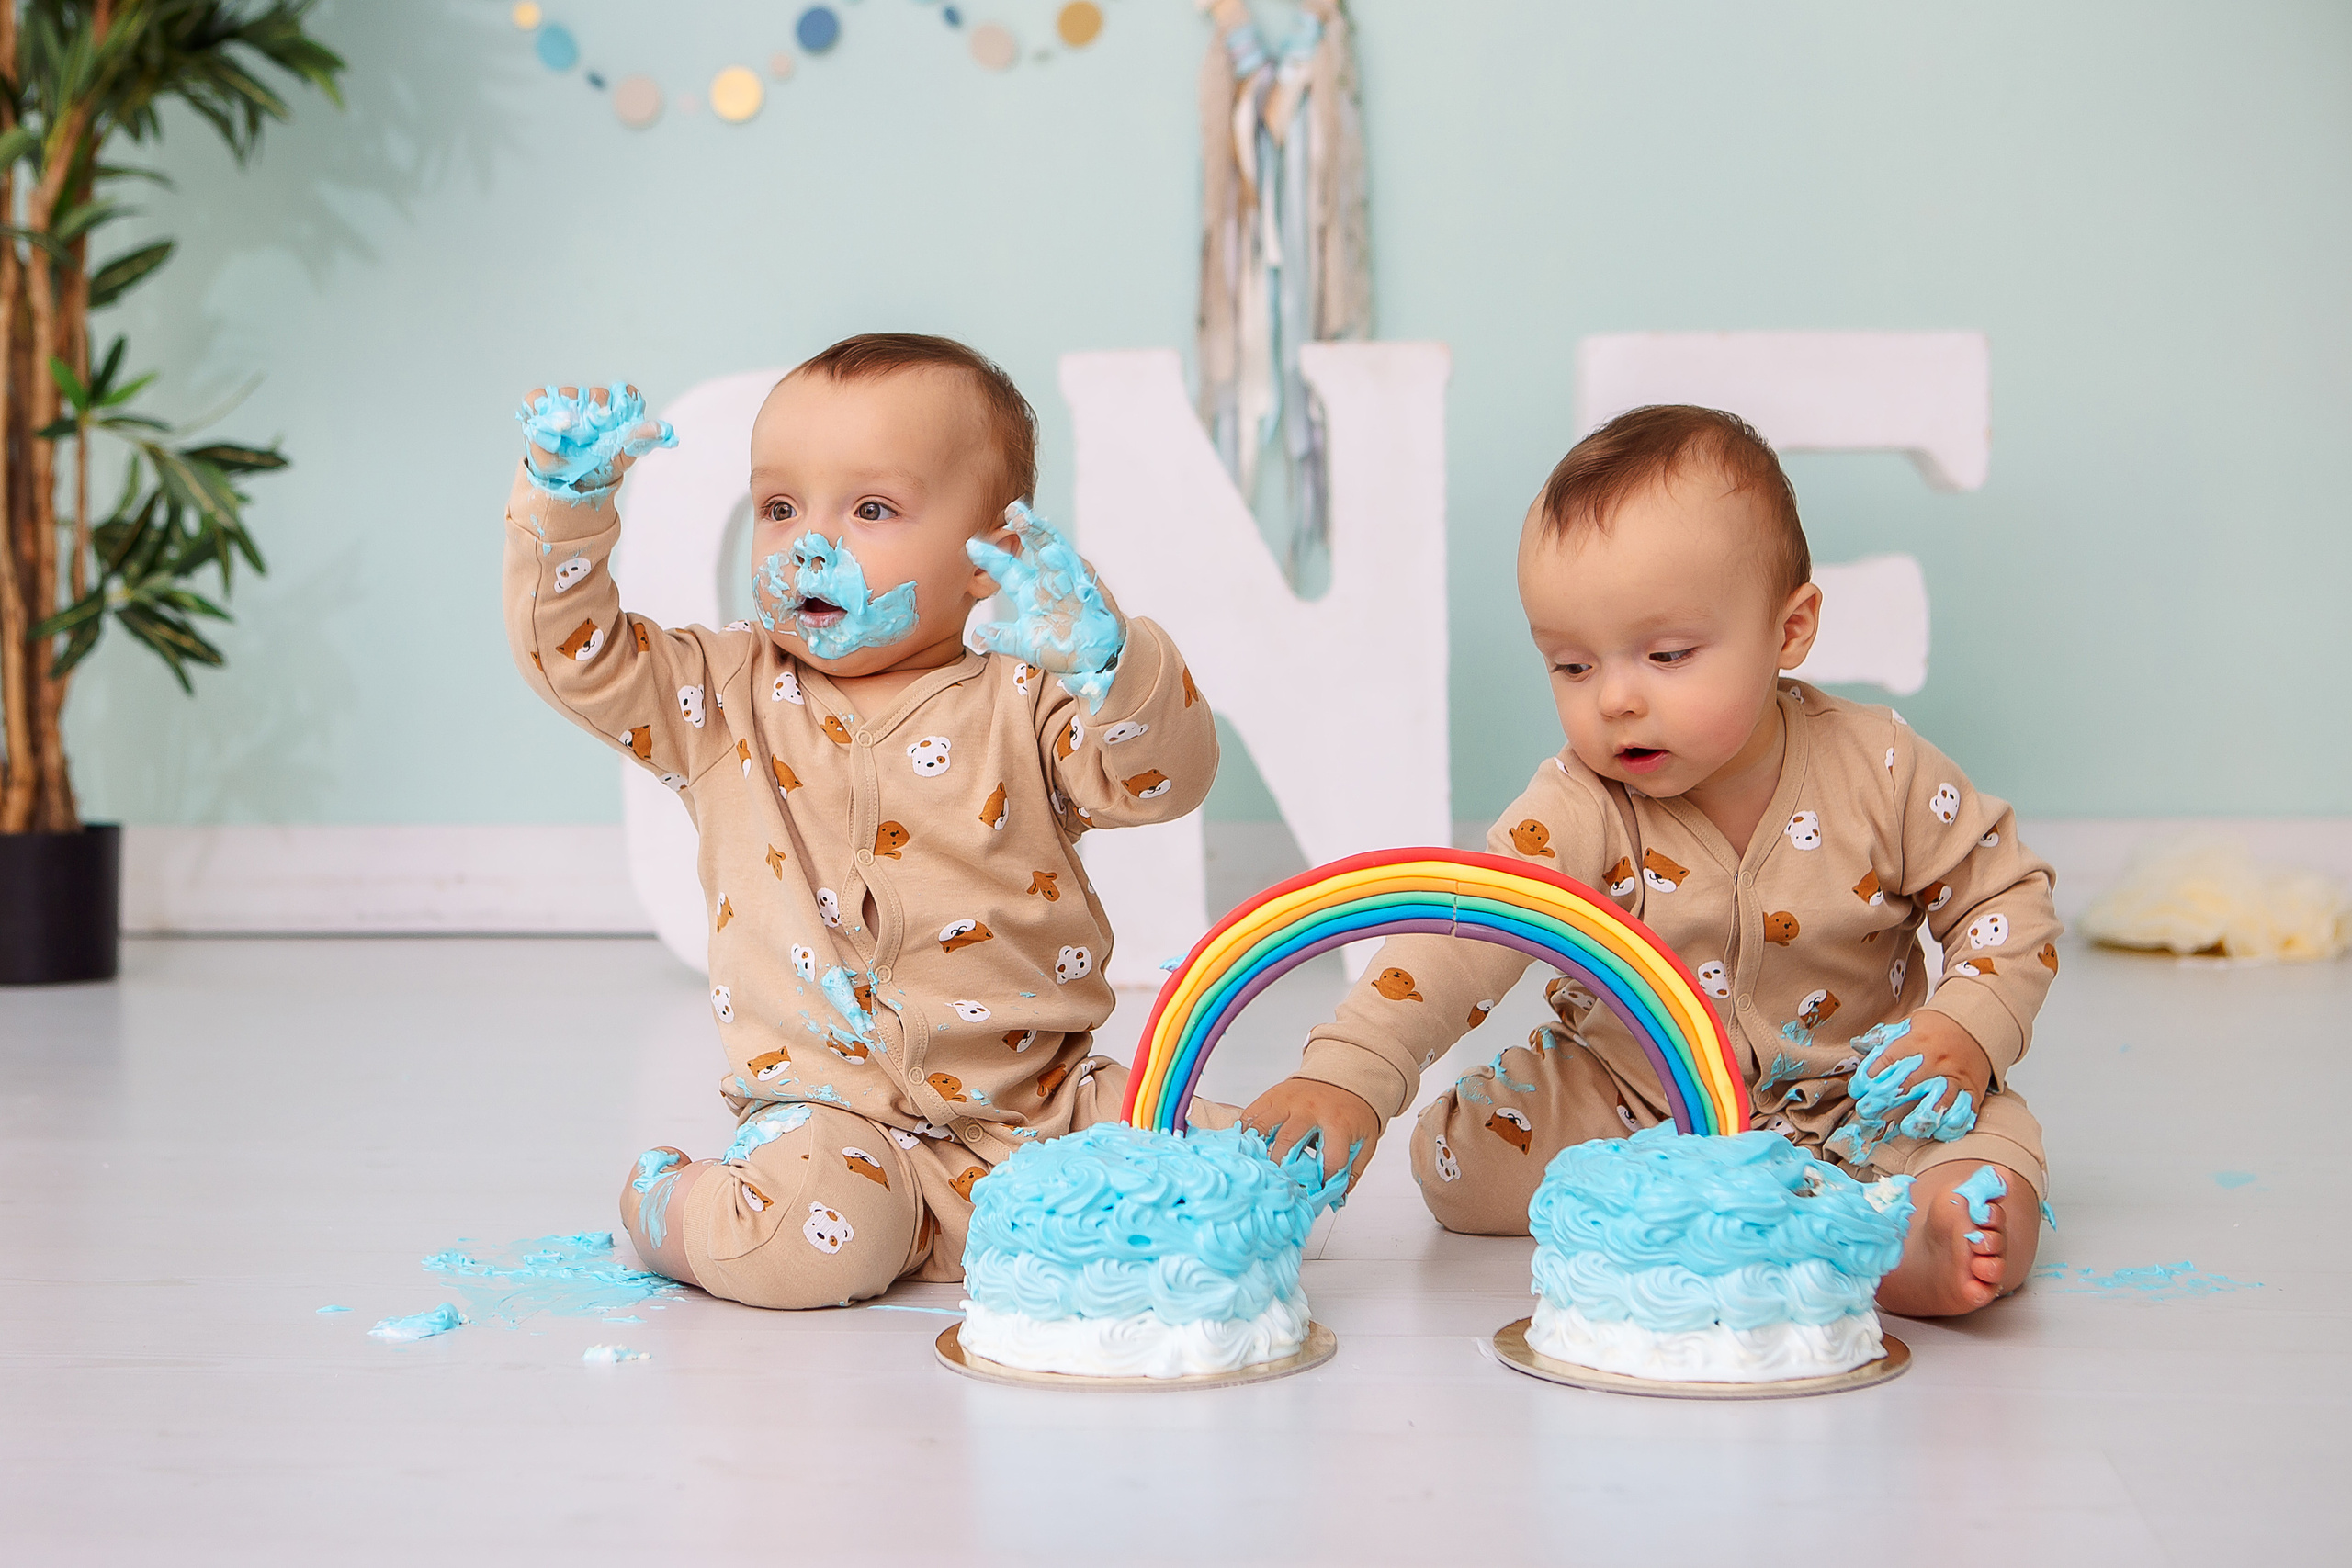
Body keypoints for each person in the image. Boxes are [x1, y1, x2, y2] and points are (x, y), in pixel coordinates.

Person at [1242, 405, 2056, 1317]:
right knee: (1456, 1166)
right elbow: (1464, 937)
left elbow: (2007, 901)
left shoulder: (1884, 769)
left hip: (1862, 1091)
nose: (1615, 700)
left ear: (1789, 630)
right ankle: (1764, 1210)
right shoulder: (1577, 806)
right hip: (1639, 1098)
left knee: (1987, 1147)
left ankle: (1928, 1240)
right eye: (1572, 666)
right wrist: (1349, 1071)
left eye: (1666, 654)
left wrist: (1965, 1026)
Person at [502, 334, 1222, 1309]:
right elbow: (576, 656)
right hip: (835, 1129)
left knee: (1229, 1180)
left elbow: (1162, 782)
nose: (809, 545)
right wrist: (567, 508)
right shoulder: (719, 696)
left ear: (992, 558)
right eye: (779, 508)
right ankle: (669, 1202)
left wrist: (1109, 665)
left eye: (871, 510)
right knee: (801, 1245)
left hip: (1043, 1113)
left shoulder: (1028, 699)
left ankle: (1018, 1213)